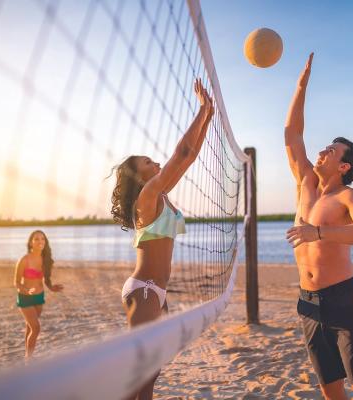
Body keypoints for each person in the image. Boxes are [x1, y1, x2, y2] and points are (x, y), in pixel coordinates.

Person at [284, 53, 353, 400]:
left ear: (343, 167)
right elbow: (292, 134)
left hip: (343, 300)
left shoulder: (350, 196)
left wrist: (320, 233)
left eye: (331, 150)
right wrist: (301, 85)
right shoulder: (306, 185)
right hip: (308, 301)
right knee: (329, 387)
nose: (322, 151)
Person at [110, 78, 213, 400]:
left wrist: (208, 115)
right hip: (143, 289)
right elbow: (181, 152)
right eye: (147, 162)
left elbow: (190, 156)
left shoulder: (161, 194)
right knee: (139, 373)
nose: (155, 162)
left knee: (150, 371)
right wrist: (200, 110)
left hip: (157, 290)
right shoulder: (148, 197)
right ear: (138, 176)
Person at [13, 230, 64, 360]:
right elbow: (16, 282)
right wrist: (24, 290)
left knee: (30, 327)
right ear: (31, 242)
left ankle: (27, 353)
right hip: (25, 298)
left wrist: (52, 288)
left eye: (42, 239)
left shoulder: (46, 260)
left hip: (39, 297)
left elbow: (46, 280)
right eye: (36, 239)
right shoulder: (24, 260)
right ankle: (28, 359)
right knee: (36, 328)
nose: (40, 241)